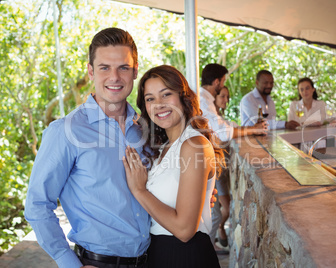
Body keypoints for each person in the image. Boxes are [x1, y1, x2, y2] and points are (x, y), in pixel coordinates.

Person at [24, 27, 150, 268]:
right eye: (105, 68)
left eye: (123, 67)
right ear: (91, 71)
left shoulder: (144, 128)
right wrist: (68, 263)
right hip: (98, 263)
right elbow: (37, 205)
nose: (114, 77)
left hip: (151, 259)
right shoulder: (65, 131)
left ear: (135, 71)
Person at [123, 65, 223, 267]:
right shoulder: (164, 149)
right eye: (150, 99)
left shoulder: (194, 145)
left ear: (183, 97)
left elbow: (185, 230)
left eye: (166, 94)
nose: (158, 104)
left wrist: (140, 190)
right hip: (160, 252)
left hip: (185, 255)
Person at [199, 63, 268, 252]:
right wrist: (253, 129)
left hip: (208, 162)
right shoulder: (203, 101)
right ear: (217, 81)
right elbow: (221, 132)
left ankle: (206, 252)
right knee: (211, 216)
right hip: (202, 162)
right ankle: (205, 256)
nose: (223, 86)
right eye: (223, 81)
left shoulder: (206, 100)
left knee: (211, 215)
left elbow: (221, 126)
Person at [212, 86, 235, 248]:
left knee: (222, 207)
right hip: (218, 171)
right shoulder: (212, 120)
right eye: (222, 96)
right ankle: (219, 228)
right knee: (227, 208)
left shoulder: (221, 119)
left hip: (225, 170)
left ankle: (217, 230)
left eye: (227, 97)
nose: (226, 100)